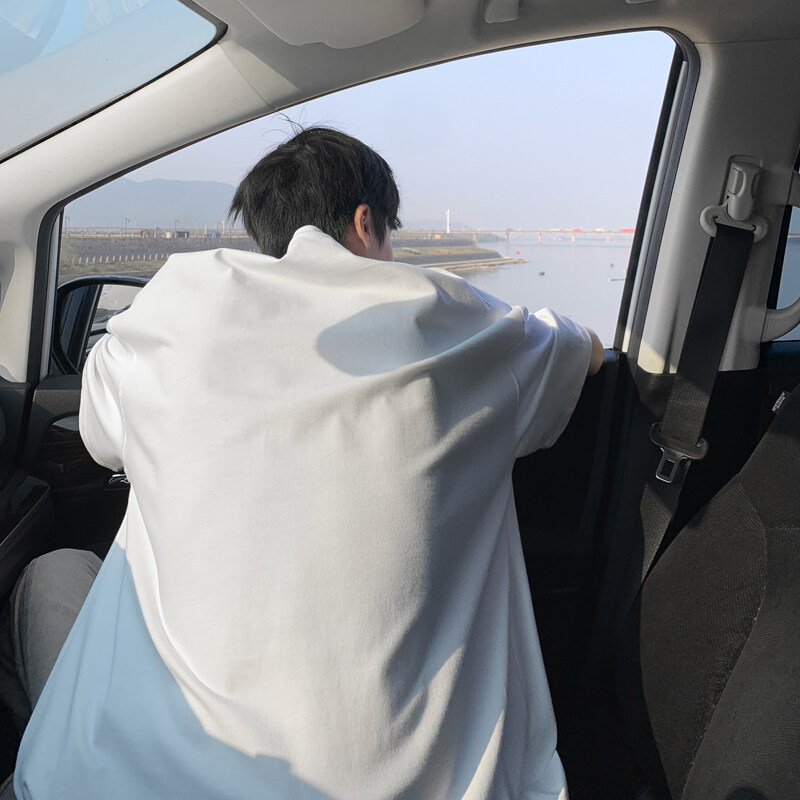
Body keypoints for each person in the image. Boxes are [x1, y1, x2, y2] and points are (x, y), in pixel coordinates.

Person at [4, 127, 602, 799]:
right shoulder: (457, 327)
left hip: (137, 782)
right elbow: (582, 350)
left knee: (55, 573)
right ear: (366, 222)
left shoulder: (168, 320)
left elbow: (101, 437)